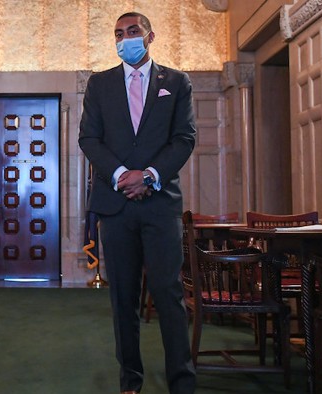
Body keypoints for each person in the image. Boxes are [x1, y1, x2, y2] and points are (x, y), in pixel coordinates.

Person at [78, 12, 197, 394]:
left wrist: (147, 175)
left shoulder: (176, 82)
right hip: (116, 205)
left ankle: (182, 382)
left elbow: (184, 138)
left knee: (169, 293)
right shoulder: (99, 84)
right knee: (123, 297)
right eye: (118, 33)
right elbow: (89, 139)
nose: (125, 38)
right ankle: (130, 380)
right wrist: (121, 176)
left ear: (150, 36)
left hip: (160, 204)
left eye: (132, 32)